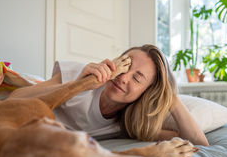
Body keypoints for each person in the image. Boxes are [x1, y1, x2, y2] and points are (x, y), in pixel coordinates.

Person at [50, 44, 209, 146]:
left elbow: (198, 143)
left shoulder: (124, 126)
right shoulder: (82, 73)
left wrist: (170, 98)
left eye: (137, 78)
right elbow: (24, 96)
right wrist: (79, 85)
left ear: (146, 92)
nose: (123, 77)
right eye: (124, 66)